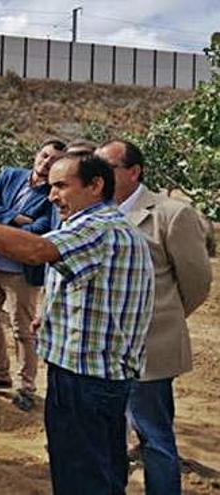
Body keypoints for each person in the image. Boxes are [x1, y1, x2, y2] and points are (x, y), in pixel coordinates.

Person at [0, 152, 155, 495]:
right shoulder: (94, 226)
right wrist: (50, 317)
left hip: (87, 381)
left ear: (96, 185)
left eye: (61, 186)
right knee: (95, 469)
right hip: (87, 376)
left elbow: (36, 250)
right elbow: (88, 286)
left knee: (84, 474)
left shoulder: (100, 227)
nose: (52, 195)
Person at [97, 140, 212, 495]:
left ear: (134, 172)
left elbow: (196, 282)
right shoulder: (96, 211)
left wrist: (163, 319)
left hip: (150, 348)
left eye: (109, 167)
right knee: (109, 434)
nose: (98, 174)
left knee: (153, 435)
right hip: (102, 348)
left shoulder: (171, 214)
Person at [0, 138, 65, 412]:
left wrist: (0, 222)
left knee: (22, 330)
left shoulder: (54, 194)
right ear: (36, 154)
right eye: (44, 155)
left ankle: (25, 386)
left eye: (53, 160)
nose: (46, 162)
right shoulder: (11, 174)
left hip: (20, 272)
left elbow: (40, 229)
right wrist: (13, 218)